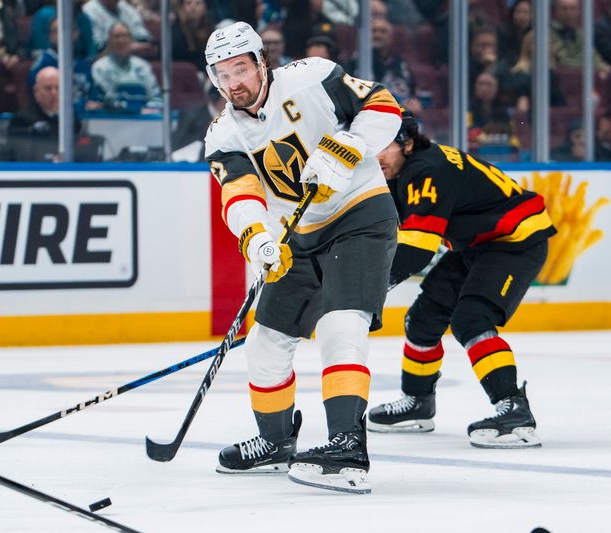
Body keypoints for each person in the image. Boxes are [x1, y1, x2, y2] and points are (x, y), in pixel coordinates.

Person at [204, 21, 401, 494]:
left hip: (359, 214)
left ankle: (347, 447)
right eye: (222, 74)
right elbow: (240, 192)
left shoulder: (313, 77)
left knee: (340, 325)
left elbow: (384, 106)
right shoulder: (222, 134)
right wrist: (257, 238)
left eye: (240, 69)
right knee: (266, 340)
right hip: (297, 237)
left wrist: (347, 146)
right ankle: (275, 442)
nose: (234, 83)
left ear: (260, 62)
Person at [369, 109, 556, 449]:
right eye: (371, 145)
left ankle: (513, 410)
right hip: (477, 244)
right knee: (422, 318)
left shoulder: (424, 170)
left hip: (515, 242)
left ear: (407, 143)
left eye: (384, 146)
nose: (376, 155)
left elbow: (416, 251)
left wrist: (366, 291)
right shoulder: (405, 168)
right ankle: (418, 403)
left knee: (472, 320)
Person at [5, 66, 81, 162]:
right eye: (48, 88)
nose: (54, 93)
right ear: (36, 91)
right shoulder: (23, 119)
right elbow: (21, 154)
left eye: (58, 88)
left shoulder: (70, 117)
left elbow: (80, 147)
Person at [91, 22, 161, 112]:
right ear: (108, 41)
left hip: (144, 119)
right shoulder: (99, 68)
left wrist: (149, 110)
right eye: (116, 37)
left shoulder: (143, 66)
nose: (121, 41)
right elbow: (104, 102)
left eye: (125, 36)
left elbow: (156, 98)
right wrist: (134, 110)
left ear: (131, 40)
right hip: (112, 119)